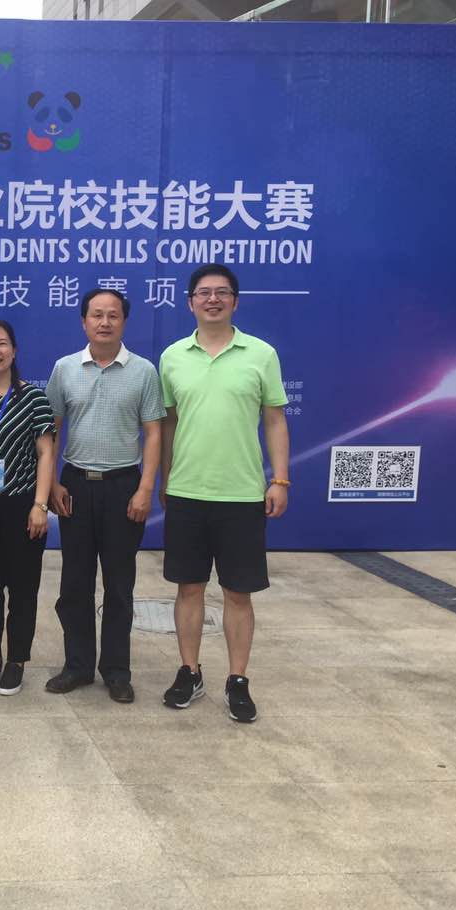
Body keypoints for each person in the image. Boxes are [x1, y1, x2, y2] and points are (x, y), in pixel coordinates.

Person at [158, 264, 290, 723]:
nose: (212, 299)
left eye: (221, 292)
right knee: (189, 587)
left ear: (235, 300)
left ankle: (237, 680)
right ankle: (189, 671)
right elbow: (169, 424)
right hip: (187, 492)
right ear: (190, 302)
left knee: (237, 593)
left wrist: (280, 479)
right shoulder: (173, 357)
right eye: (203, 293)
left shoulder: (261, 354)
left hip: (242, 494)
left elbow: (275, 419)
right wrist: (165, 479)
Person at [45, 289, 165, 702]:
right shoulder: (64, 369)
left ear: (124, 322)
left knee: (119, 584)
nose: (104, 322)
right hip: (75, 486)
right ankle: (77, 666)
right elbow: (52, 429)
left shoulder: (143, 371)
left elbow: (154, 433)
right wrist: (52, 483)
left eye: (113, 315)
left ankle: (116, 671)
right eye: (96, 315)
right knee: (75, 583)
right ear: (84, 322)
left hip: (123, 486)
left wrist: (146, 488)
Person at [0, 320, 56, 697]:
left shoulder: (33, 398)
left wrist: (40, 505)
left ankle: (17, 659)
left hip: (23, 505)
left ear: (14, 351)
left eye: (2, 344)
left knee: (23, 588)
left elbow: (46, 453)